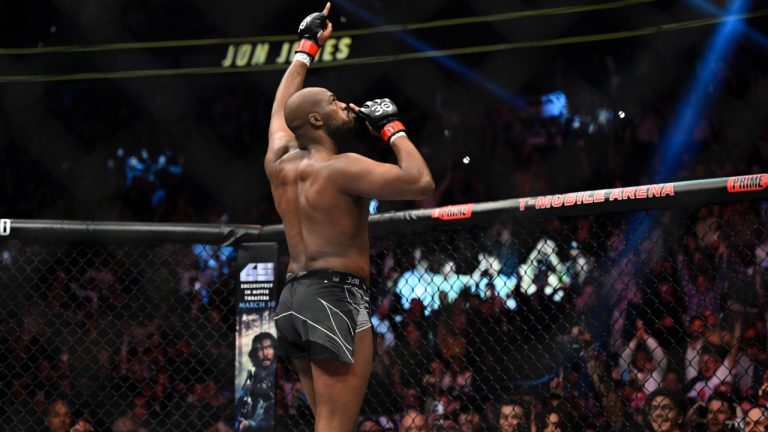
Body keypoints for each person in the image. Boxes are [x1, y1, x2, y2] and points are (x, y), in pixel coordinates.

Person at [267, 3, 434, 431]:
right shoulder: (341, 167)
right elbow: (419, 182)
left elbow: (282, 111)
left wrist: (305, 50)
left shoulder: (280, 163)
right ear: (318, 120)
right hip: (335, 297)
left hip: (293, 300)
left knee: (326, 420)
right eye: (336, 103)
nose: (347, 107)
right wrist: (392, 128)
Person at [237, 332, 277, 431]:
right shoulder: (251, 381)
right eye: (260, 349)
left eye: (268, 347)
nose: (265, 353)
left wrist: (250, 425)